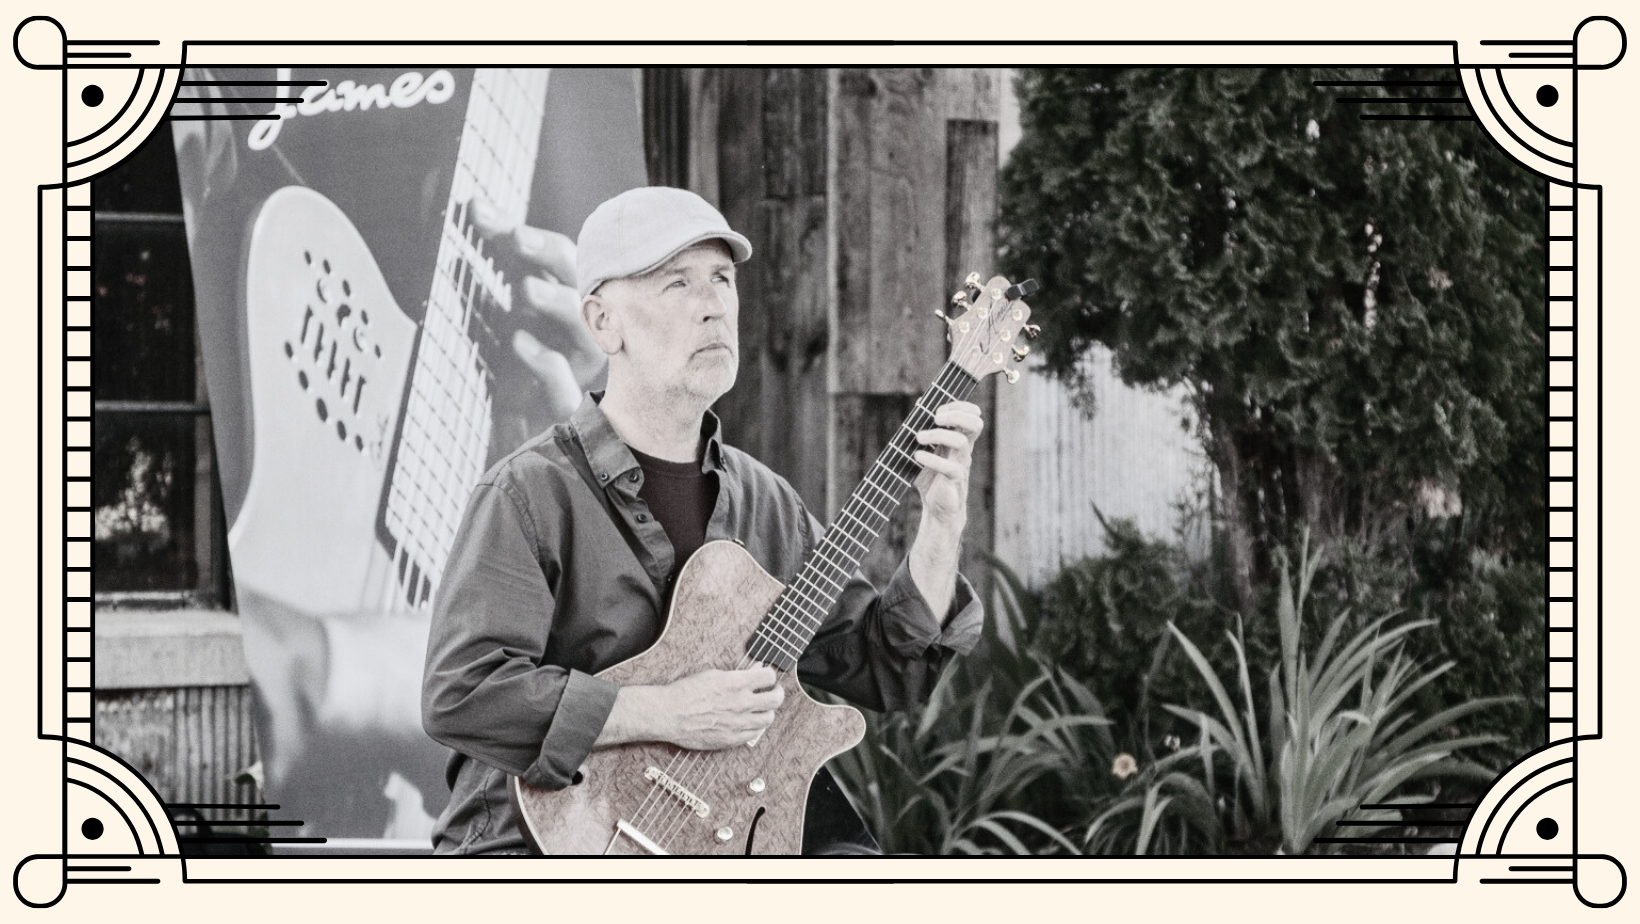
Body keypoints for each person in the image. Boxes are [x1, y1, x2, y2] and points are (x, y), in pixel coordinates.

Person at [420, 186, 986, 855]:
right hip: (534, 852)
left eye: (722, 278)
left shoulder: (764, 502)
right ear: (603, 323)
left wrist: (941, 525)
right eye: (676, 283)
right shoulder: (528, 493)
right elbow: (464, 693)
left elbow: (884, 666)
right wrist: (666, 712)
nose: (713, 304)